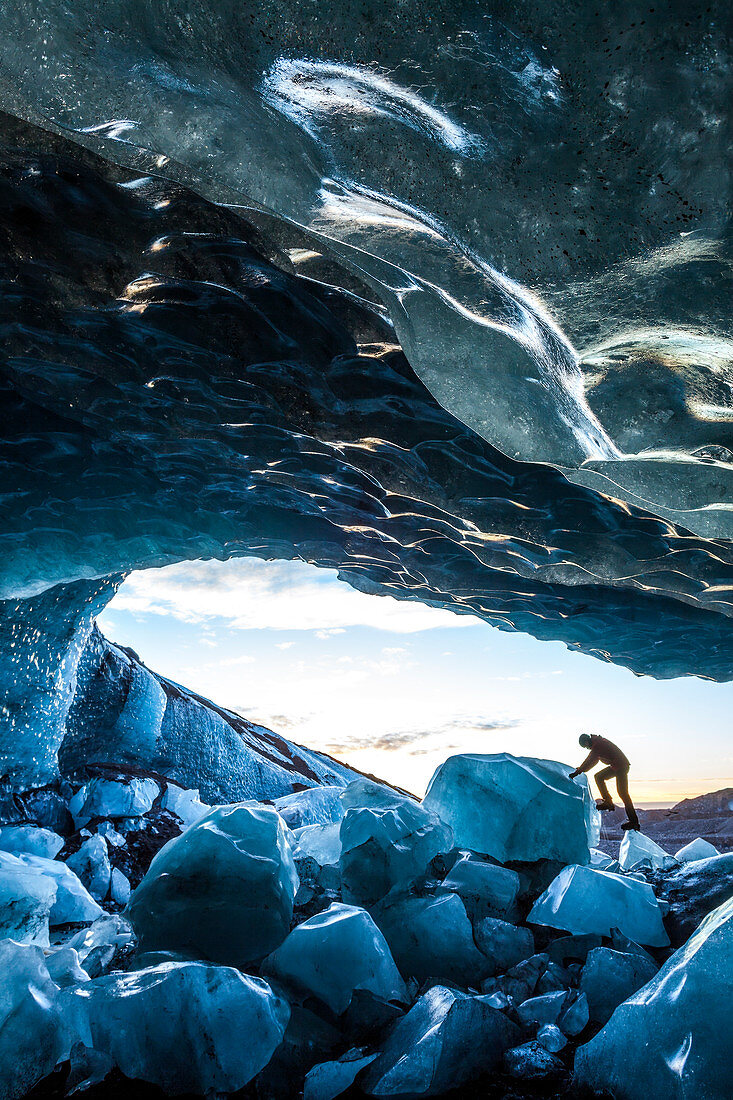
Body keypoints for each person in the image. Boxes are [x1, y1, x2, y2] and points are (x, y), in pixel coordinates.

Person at [569, 733, 640, 831]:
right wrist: (581, 769)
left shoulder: (597, 745)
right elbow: (591, 760)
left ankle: (634, 822)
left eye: (585, 746)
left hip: (621, 766)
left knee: (623, 793)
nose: (587, 748)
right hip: (617, 766)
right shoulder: (597, 742)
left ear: (586, 741)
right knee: (599, 777)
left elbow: (590, 760)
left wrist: (577, 772)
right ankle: (608, 801)